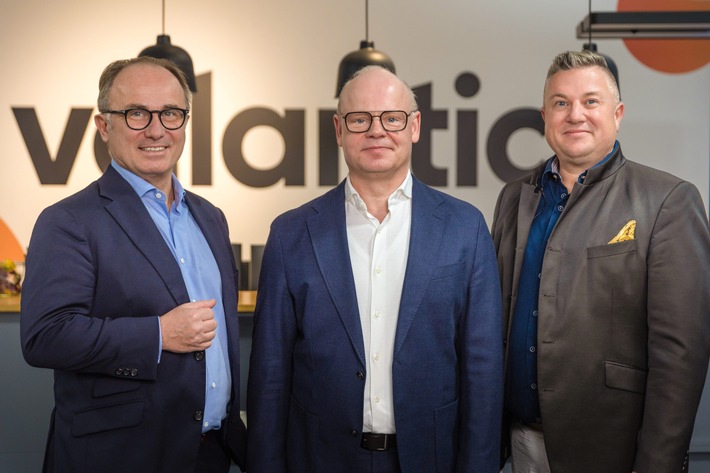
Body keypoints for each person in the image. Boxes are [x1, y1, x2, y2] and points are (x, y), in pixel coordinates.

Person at [246, 65, 503, 473]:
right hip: (320, 459)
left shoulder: (464, 228)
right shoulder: (291, 234)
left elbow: (483, 370)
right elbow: (269, 374)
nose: (377, 131)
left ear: (415, 126)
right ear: (339, 130)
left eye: (392, 118)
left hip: (431, 459)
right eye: (360, 119)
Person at [20, 56, 246, 473]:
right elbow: (46, 336)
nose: (156, 130)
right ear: (104, 126)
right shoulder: (68, 220)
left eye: (171, 113)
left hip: (211, 453)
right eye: (137, 113)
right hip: (119, 456)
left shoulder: (210, 217)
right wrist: (158, 334)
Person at [491, 49, 710, 473]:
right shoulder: (514, 196)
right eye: (561, 103)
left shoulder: (667, 201)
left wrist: (658, 463)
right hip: (520, 443)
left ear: (618, 113)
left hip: (612, 449)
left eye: (590, 101)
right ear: (545, 117)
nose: (575, 115)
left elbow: (680, 355)